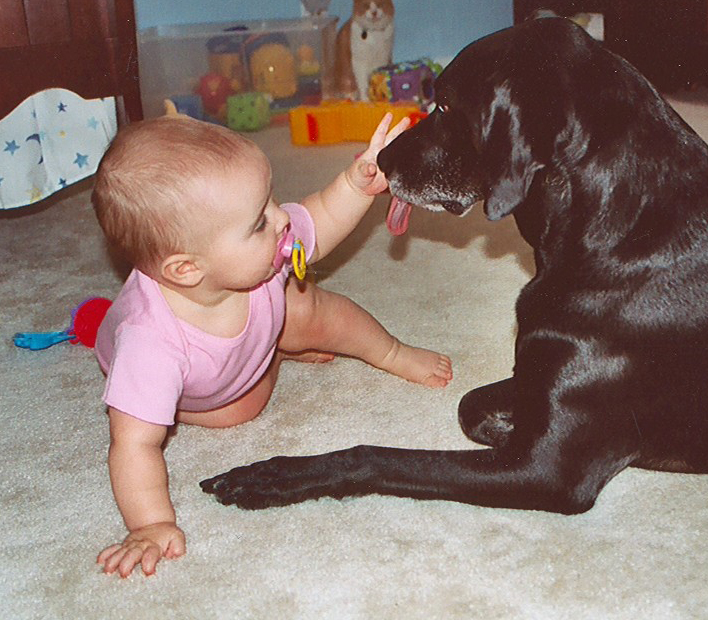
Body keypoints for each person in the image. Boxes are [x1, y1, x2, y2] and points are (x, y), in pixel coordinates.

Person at [91, 112, 452, 578]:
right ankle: (272, 353)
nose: (282, 219)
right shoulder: (150, 343)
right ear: (186, 269)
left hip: (257, 318)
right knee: (239, 411)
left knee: (309, 302)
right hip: (207, 387)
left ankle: (390, 352)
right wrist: (150, 523)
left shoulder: (259, 249)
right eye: (258, 223)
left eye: (271, 201)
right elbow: (133, 445)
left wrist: (354, 184)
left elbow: (317, 222)